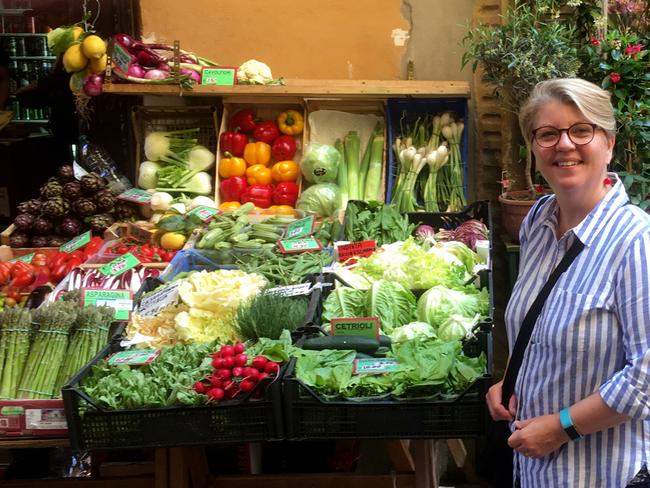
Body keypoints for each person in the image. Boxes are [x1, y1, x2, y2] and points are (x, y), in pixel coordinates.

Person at [485, 78, 650, 487]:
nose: (564, 144)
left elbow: (646, 377)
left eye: (582, 130)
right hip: (535, 468)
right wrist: (512, 377)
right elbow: (537, 320)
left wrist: (560, 428)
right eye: (547, 134)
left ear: (608, 143)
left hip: (599, 472)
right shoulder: (538, 224)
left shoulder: (636, 242)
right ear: (533, 149)